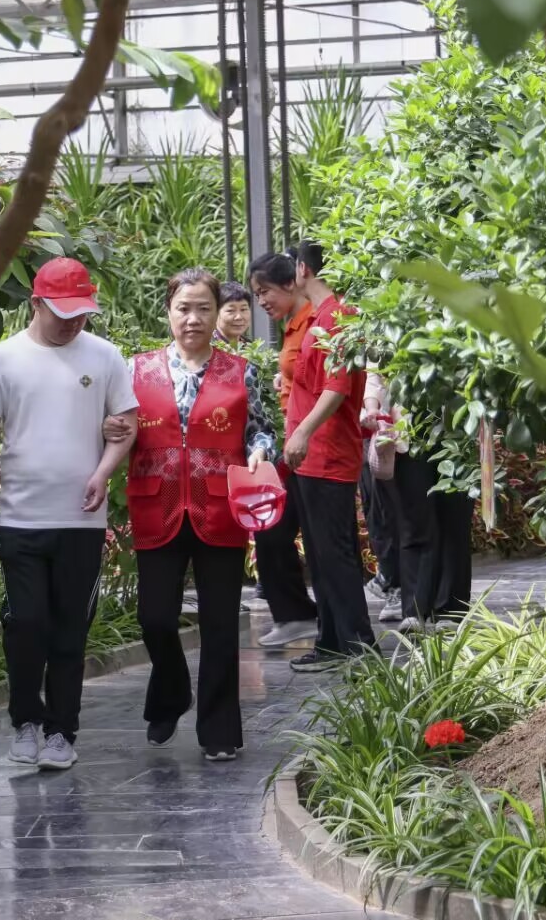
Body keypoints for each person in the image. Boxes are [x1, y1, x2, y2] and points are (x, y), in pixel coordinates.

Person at [0, 256, 138, 771]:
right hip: (20, 517)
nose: (72, 322)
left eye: (81, 313)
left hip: (81, 521)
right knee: (27, 623)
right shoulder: (3, 359)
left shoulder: (105, 356)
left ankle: (63, 730)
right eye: (62, 312)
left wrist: (103, 471)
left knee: (70, 628)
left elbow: (126, 422)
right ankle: (26, 721)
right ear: (35, 303)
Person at [120, 269, 275, 762]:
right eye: (184, 308)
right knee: (156, 618)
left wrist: (260, 452)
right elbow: (119, 431)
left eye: (203, 309)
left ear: (217, 313)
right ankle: (171, 694)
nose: (193, 318)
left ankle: (220, 730)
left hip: (219, 505)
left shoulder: (241, 370)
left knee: (220, 623)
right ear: (168, 312)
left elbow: (261, 430)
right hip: (156, 504)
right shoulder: (135, 370)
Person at [261, 244, 374, 670]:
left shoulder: (338, 317)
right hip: (310, 456)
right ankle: (332, 642)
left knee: (335, 552)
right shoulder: (319, 318)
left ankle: (359, 646)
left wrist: (304, 430)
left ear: (303, 269)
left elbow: (338, 386)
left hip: (326, 453)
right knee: (322, 554)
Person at [246, 253, 322, 648]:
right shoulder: (292, 327)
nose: (261, 302)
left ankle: (316, 618)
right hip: (295, 447)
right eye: (256, 294)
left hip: (311, 449)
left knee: (303, 534)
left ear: (291, 283)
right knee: (271, 527)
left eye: (265, 292)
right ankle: (295, 614)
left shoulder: (314, 322)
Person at [367, 382, 473, 631]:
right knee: (413, 517)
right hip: (409, 426)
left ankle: (450, 610)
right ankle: (414, 609)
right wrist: (372, 406)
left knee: (454, 515)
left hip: (459, 418)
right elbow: (376, 366)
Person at [359, 375, 404, 624]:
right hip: (368, 431)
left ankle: (397, 585)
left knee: (392, 511)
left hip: (398, 430)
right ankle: (391, 583)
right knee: (376, 513)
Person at [216, 281, 255, 345]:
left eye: (243, 309)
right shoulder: (206, 347)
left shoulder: (250, 348)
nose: (239, 317)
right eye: (231, 310)